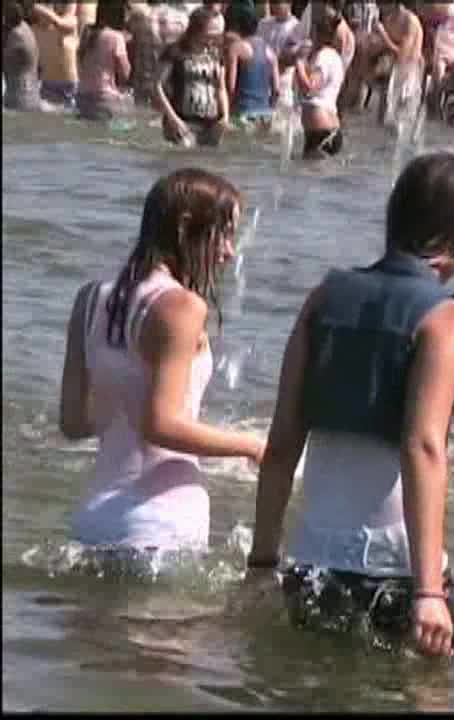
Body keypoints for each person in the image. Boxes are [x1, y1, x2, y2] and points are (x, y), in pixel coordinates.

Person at [247, 153, 454, 658]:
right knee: (429, 691)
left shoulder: (322, 298)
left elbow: (283, 442)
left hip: (313, 563)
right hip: (395, 570)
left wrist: (262, 564)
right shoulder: (450, 317)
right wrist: (429, 592)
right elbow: (422, 446)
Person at [59, 168, 265, 557]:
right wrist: (252, 446)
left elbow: (73, 422)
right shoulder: (182, 306)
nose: (229, 252)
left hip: (92, 520)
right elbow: (162, 425)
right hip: (160, 523)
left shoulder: (89, 298)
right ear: (186, 228)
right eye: (223, 234)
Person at [154, 6, 230, 147]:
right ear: (197, 30)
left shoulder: (216, 54)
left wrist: (225, 117)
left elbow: (221, 88)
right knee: (184, 157)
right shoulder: (175, 52)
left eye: (218, 34)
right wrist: (173, 119)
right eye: (211, 34)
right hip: (181, 121)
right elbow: (157, 86)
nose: (215, 38)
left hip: (211, 124)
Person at [294, 4, 344, 159]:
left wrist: (299, 63)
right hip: (324, 130)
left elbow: (310, 89)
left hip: (322, 131)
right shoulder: (333, 56)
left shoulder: (324, 56)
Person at [225, 4, 278, 131]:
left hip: (243, 112)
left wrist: (228, 110)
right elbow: (276, 90)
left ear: (237, 26)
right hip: (266, 114)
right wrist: (270, 107)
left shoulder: (236, 48)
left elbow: (231, 86)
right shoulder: (270, 51)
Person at [76, 1, 133, 121]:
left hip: (82, 97)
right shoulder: (116, 37)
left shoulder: (87, 32)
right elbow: (126, 74)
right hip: (105, 100)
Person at [32, 1, 79, 107]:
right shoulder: (34, 29)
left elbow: (60, 22)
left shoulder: (70, 22)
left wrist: (36, 7)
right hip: (47, 85)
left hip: (70, 86)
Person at [3, 1, 46, 112]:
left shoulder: (16, 34)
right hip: (31, 98)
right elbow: (40, 68)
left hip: (19, 101)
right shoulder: (26, 29)